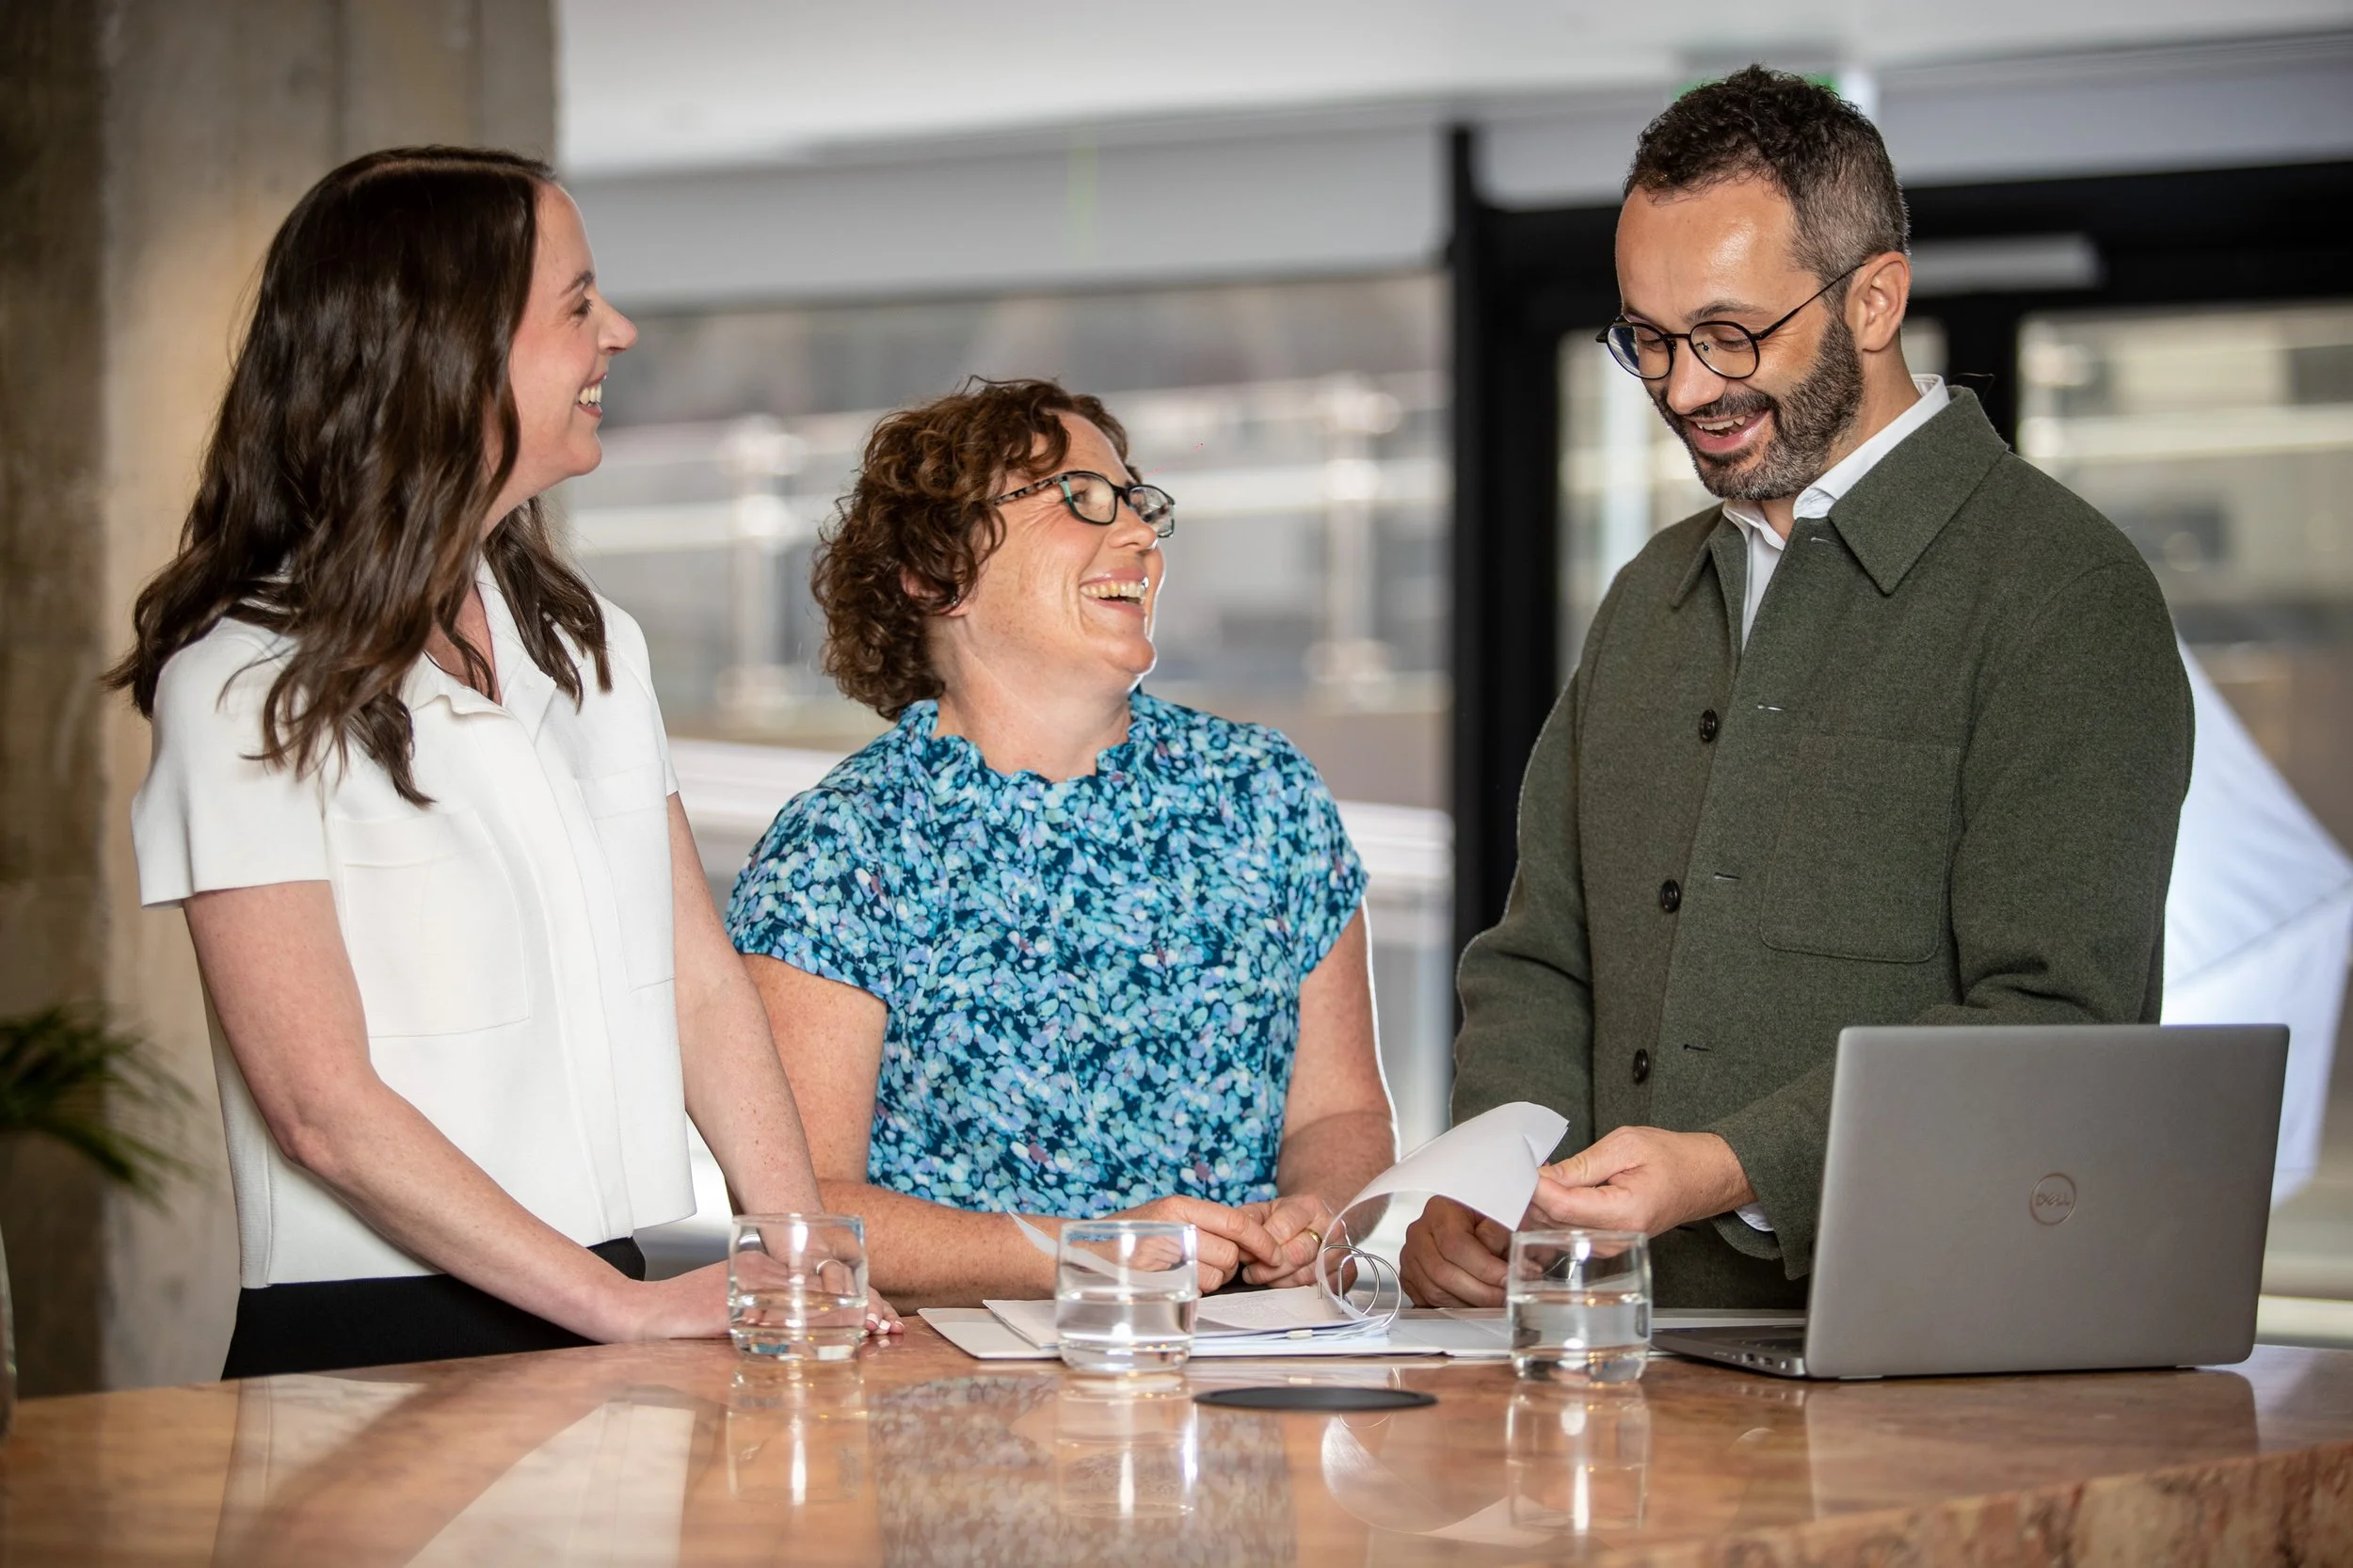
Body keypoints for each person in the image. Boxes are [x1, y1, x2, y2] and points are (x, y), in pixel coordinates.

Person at [1401, 68, 2192, 1309]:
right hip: (1619, 1347)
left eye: (1730, 333)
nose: (1681, 388)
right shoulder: (1650, 594)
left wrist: (1729, 1166)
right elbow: (1544, 953)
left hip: (1919, 1356)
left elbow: (2055, 1019)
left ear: (1874, 299)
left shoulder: (2064, 591)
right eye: (1648, 340)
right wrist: (1495, 1172)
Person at [113, 147, 895, 1377]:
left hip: (613, 1291)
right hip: (375, 1345)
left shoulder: (589, 647)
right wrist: (622, 1310)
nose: (619, 332)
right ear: (450, 351)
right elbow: (320, 1109)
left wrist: (805, 1256)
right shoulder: (237, 688)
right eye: (579, 304)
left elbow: (698, 980)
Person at [727, 377, 1397, 1304]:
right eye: (1083, 500)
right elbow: (799, 1212)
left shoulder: (1264, 792)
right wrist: (1078, 1252)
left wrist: (1318, 1211)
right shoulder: (845, 846)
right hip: (949, 1413)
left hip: (1242, 1393)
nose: (1139, 536)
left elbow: (1343, 1111)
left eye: (1137, 504)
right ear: (934, 571)